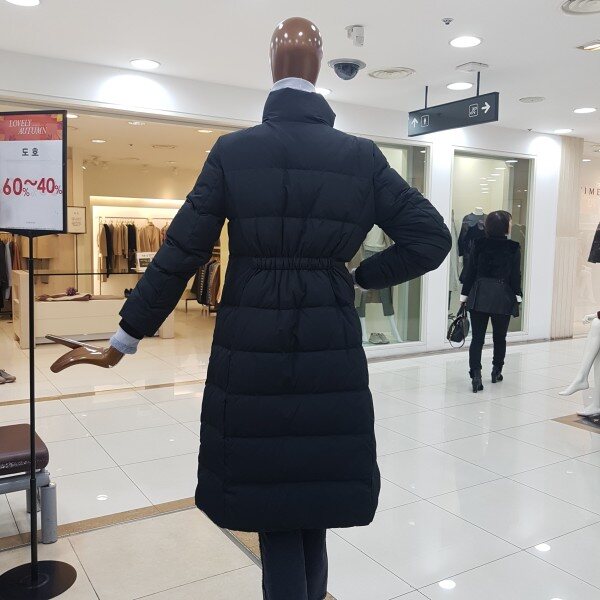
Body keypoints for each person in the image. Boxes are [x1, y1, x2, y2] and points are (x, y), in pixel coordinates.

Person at [48, 17, 451, 600]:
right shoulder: (361, 158)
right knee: (313, 504)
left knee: (273, 508)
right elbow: (431, 237)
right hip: (330, 343)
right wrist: (359, 276)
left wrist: (125, 337)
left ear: (272, 66)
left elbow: (182, 250)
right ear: (319, 68)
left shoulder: (235, 152)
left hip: (251, 344)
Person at [460, 210, 522, 393]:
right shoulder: (513, 247)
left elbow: (470, 271)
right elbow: (515, 275)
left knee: (477, 338)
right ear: (505, 226)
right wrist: (518, 295)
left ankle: (476, 375)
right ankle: (496, 370)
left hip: (479, 295)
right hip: (502, 296)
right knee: (499, 337)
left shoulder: (478, 244)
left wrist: (464, 296)